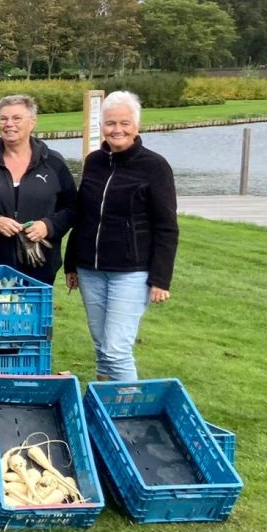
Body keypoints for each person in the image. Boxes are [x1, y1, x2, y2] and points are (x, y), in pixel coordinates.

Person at [64, 92, 178, 382]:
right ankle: (107, 412)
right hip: (91, 269)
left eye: (124, 123)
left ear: (137, 126)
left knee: (116, 349)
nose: (117, 129)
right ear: (101, 126)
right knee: (102, 348)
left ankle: (129, 417)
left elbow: (166, 226)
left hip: (131, 272)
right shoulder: (94, 162)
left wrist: (161, 278)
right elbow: (83, 215)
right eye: (110, 123)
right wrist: (71, 264)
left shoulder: (155, 166)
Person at [0, 94, 78, 285]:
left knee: (33, 315)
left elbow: (72, 208)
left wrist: (48, 226)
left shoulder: (53, 162)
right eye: (3, 118)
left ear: (32, 123)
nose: (9, 124)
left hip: (40, 266)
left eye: (16, 118)